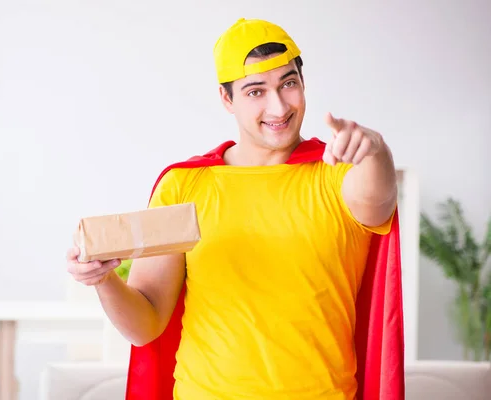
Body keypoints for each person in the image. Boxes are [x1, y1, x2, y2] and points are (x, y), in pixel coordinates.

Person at [66, 18, 404, 400]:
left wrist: (375, 149)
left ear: (303, 84)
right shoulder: (184, 186)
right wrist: (102, 279)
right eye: (256, 91)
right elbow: (146, 322)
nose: (278, 106)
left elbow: (379, 201)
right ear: (227, 99)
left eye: (288, 84)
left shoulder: (339, 178)